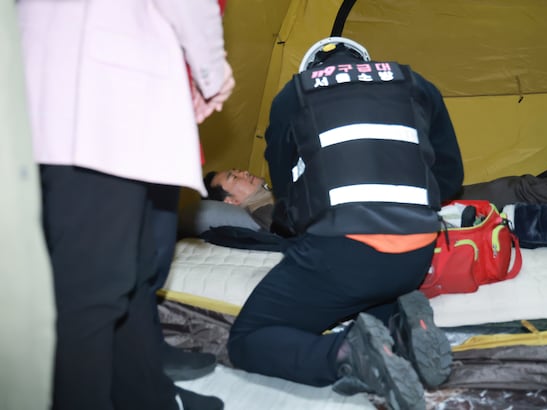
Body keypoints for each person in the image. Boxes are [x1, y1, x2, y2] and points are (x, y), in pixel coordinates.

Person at [226, 37, 464, 409]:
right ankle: (402, 328)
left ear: (310, 69)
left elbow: (286, 194)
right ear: (364, 62)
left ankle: (352, 355)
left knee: (247, 339)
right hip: (415, 253)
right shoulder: (415, 83)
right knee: (368, 292)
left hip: (344, 250)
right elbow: (450, 178)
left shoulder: (294, 94)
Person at [18, 1, 234, 409]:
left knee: (126, 275)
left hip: (60, 82)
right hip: (99, 95)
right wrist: (213, 74)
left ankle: (147, 397)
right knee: (93, 292)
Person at [203, 169, 274, 230]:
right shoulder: (264, 212)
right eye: (235, 177)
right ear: (230, 201)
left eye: (239, 171)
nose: (245, 172)